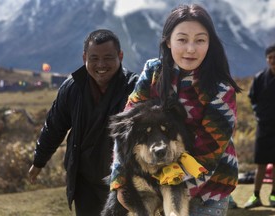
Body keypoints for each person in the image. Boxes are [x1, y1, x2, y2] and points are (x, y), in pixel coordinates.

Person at [110, 4, 242, 216]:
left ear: (210, 44)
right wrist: (119, 181)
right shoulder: (153, 72)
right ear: (168, 41)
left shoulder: (220, 90)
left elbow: (207, 157)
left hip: (208, 189)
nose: (191, 48)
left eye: (200, 40)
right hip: (152, 182)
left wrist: (170, 199)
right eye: (182, 39)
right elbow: (125, 132)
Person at [28, 29, 138, 215]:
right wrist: (39, 161)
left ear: (120, 56)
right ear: (84, 57)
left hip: (122, 180)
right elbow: (54, 126)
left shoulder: (134, 88)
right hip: (83, 181)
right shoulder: (73, 87)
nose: (101, 65)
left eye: (108, 58)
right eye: (94, 58)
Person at [244, 44, 275, 209]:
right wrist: (258, 114)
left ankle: (273, 195)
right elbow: (252, 98)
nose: (273, 61)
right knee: (261, 164)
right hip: (263, 127)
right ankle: (255, 195)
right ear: (266, 59)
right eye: (270, 58)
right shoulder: (259, 78)